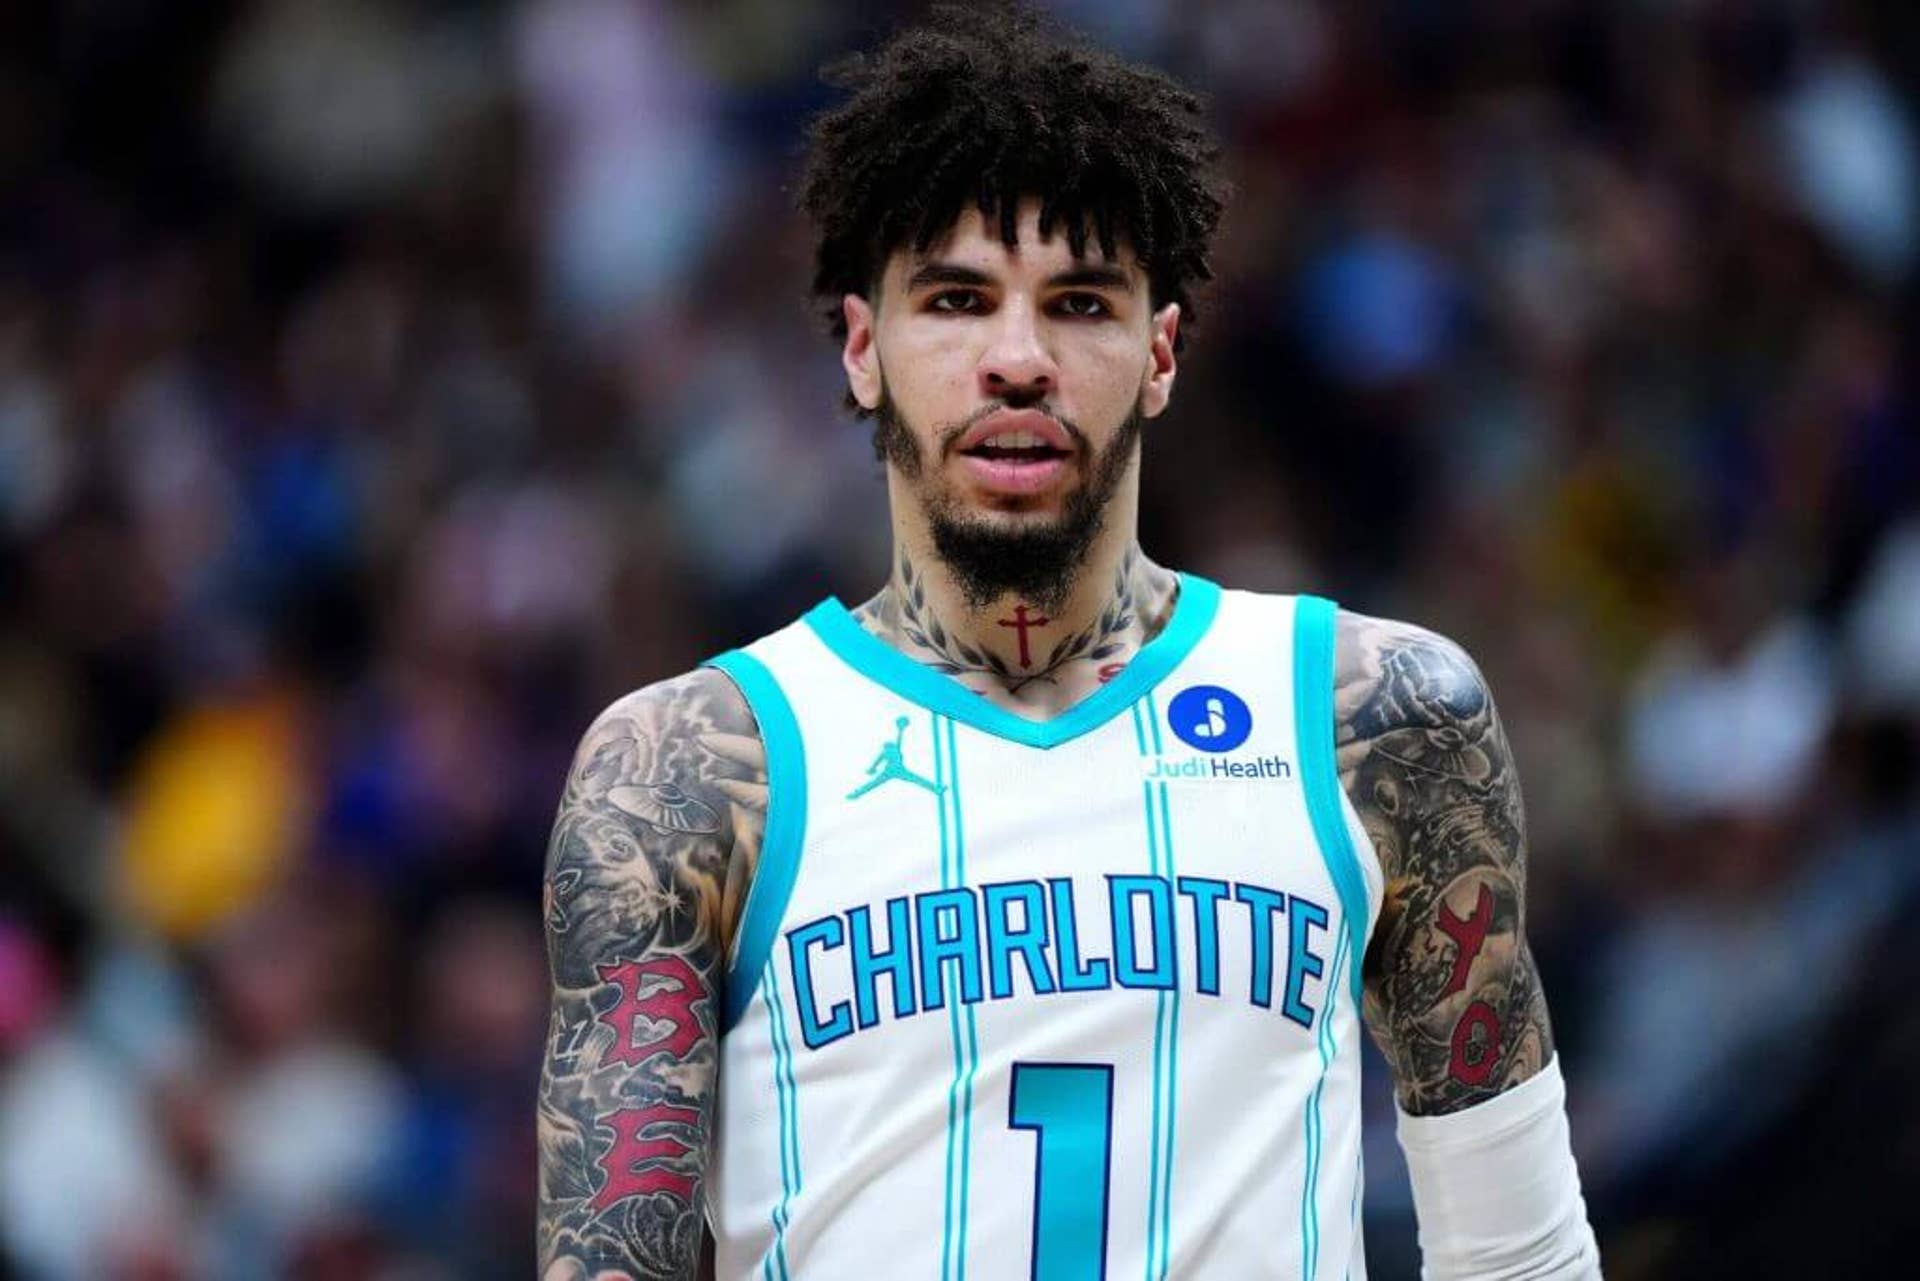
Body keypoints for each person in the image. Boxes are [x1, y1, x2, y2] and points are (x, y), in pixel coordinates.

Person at [535, 7, 1602, 1279]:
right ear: (865, 347)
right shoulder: (686, 776)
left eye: (1081, 302)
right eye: (957, 300)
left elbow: (1523, 1258)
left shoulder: (1379, 718)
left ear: (1159, 352)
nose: (1019, 360)